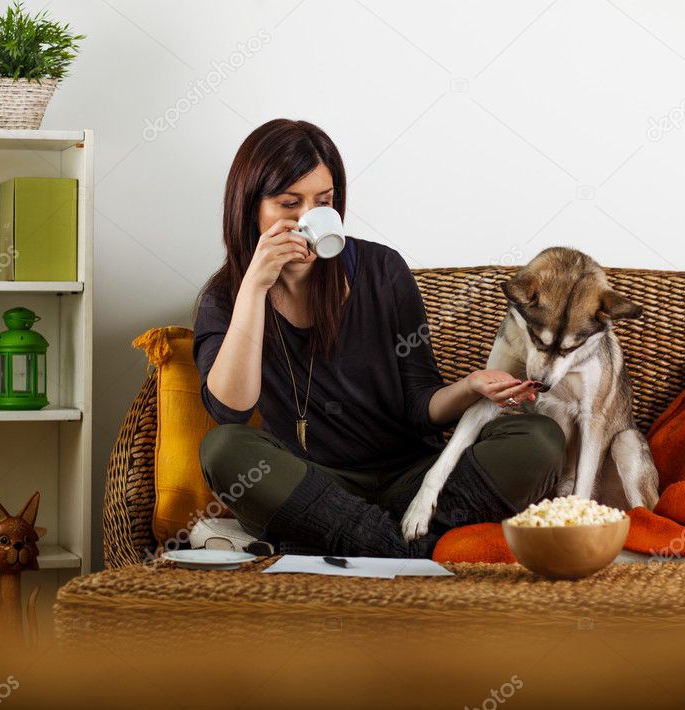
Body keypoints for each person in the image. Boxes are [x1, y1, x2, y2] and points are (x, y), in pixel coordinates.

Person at [194, 118, 566, 558]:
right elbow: (229, 411)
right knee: (223, 450)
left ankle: (348, 542)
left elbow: (418, 405)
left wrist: (468, 388)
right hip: (313, 486)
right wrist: (255, 286)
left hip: (409, 478)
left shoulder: (382, 270)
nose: (306, 219)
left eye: (323, 203)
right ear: (249, 206)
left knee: (539, 438)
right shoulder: (225, 296)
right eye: (289, 203)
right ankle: (409, 549)